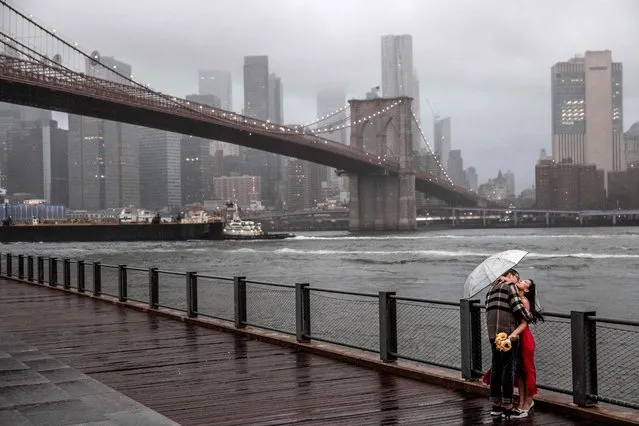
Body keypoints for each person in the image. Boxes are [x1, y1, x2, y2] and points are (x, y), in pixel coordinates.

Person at [485, 268, 532, 419]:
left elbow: (488, 309)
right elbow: (519, 310)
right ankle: (508, 405)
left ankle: (496, 405)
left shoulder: (491, 289)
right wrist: (529, 315)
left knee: (496, 369)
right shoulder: (509, 286)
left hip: (493, 333)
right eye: (517, 278)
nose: (518, 281)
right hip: (507, 335)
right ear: (510, 275)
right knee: (508, 369)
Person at [514, 279, 544, 412]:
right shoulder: (514, 299)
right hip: (518, 336)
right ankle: (521, 400)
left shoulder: (524, 301)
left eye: (524, 281)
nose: (521, 280)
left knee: (527, 370)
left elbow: (524, 322)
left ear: (526, 290)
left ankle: (529, 401)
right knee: (519, 371)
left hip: (524, 337)